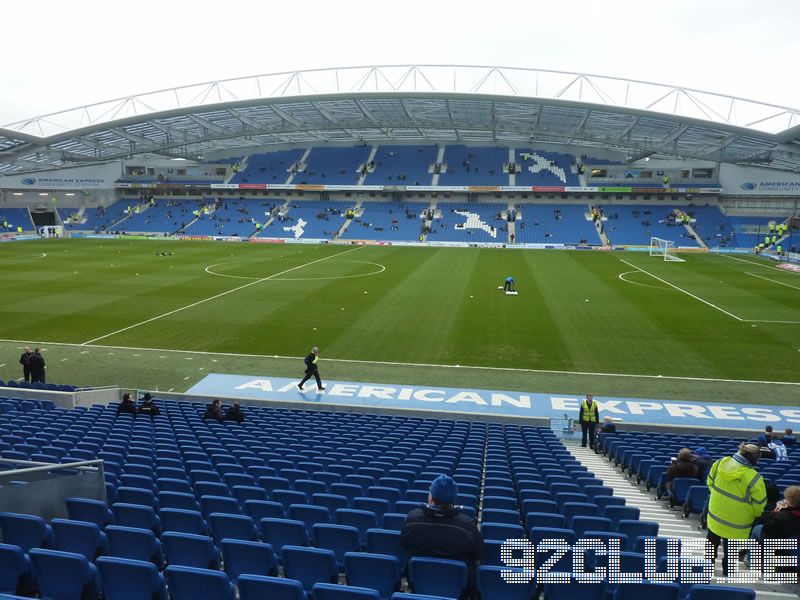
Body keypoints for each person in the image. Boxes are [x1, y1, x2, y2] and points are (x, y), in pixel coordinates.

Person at [402, 474, 483, 599]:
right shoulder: (467, 526)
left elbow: (404, 543)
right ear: (453, 500)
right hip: (458, 590)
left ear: (431, 497)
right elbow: (479, 553)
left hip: (420, 584)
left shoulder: (411, 519)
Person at [706, 443, 766, 576]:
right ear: (755, 457)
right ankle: (727, 572)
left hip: (715, 513)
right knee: (731, 549)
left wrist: (720, 499)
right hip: (737, 523)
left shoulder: (720, 462)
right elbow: (760, 504)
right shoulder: (754, 477)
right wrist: (754, 514)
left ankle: (707, 567)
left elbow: (710, 483)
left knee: (711, 544)